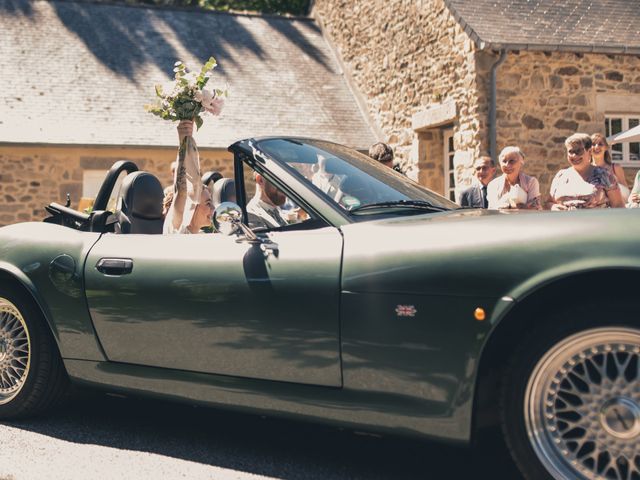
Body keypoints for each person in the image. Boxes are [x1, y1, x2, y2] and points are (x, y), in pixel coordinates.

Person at [549, 133, 625, 210]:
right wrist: (553, 206)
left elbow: (618, 205)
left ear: (589, 152)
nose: (574, 155)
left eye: (579, 151)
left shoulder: (604, 175)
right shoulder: (560, 176)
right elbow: (549, 202)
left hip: (597, 221)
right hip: (565, 221)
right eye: (571, 151)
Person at [163, 120, 214, 233]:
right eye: (208, 204)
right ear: (191, 206)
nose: (213, 209)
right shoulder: (176, 228)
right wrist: (184, 141)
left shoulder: (203, 236)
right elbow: (181, 191)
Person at [591, 133, 630, 200]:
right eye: (593, 144)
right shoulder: (585, 168)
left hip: (612, 209)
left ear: (606, 147)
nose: (597, 147)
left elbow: (626, 194)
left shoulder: (616, 168)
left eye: (600, 144)